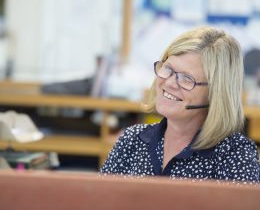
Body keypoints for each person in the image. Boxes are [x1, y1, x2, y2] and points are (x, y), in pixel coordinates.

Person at [100, 27, 260, 183]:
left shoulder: (235, 155)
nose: (169, 83)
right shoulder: (132, 140)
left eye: (186, 78)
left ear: (215, 93)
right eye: (168, 69)